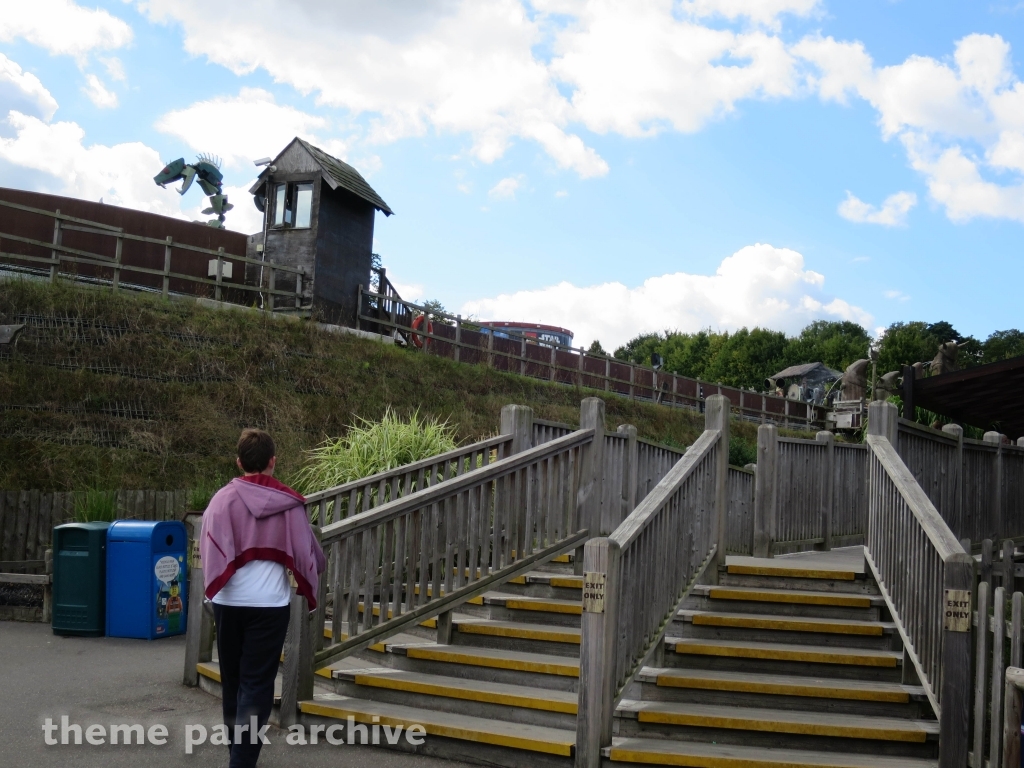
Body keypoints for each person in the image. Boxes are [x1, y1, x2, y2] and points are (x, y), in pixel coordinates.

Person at [200, 429, 326, 768]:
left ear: (239, 462)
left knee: (233, 683)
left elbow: (208, 547)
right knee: (256, 685)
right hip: (270, 605)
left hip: (228, 601)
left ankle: (237, 757)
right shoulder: (290, 504)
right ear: (273, 461)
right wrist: (310, 582)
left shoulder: (221, 501)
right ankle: (241, 762)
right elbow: (307, 553)